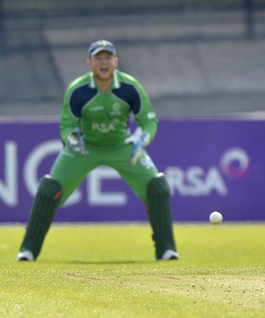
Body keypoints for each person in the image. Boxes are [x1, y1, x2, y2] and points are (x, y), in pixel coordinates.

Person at [17, 40, 179, 262]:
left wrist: (143, 139)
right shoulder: (78, 90)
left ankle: (166, 251)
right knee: (49, 189)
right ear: (89, 63)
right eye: (98, 58)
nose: (103, 62)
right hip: (85, 148)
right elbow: (67, 124)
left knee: (157, 187)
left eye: (107, 58)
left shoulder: (129, 87)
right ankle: (28, 251)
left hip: (121, 146)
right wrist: (71, 139)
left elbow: (148, 120)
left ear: (115, 62)